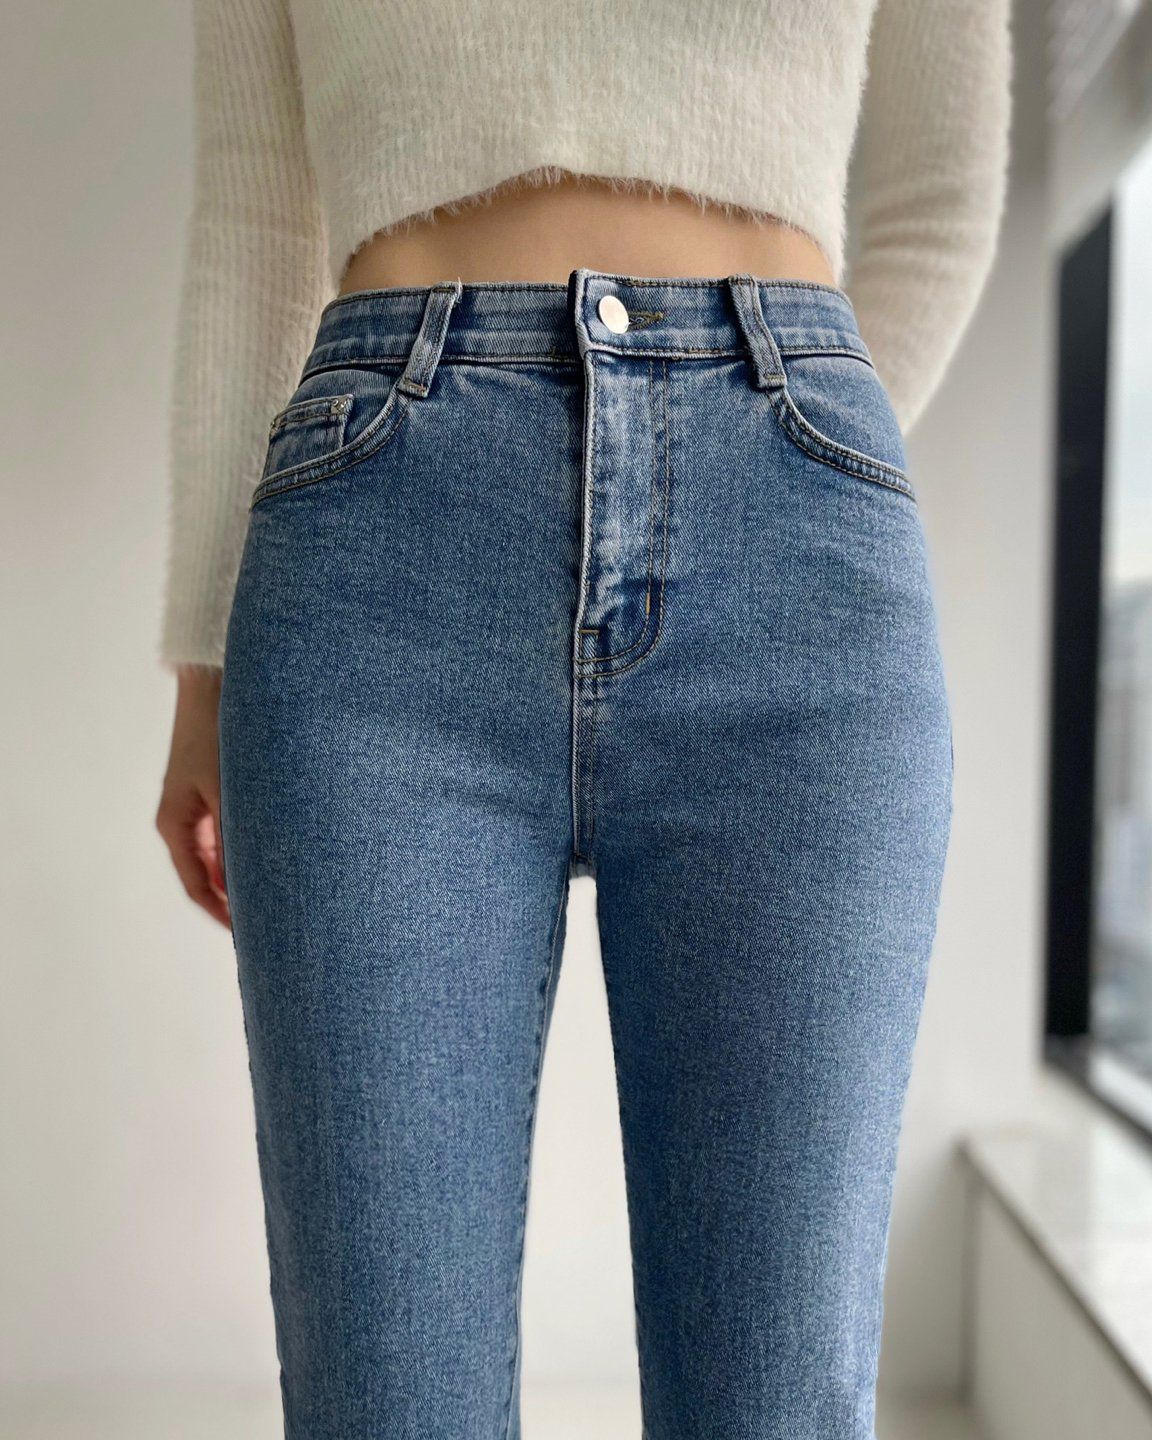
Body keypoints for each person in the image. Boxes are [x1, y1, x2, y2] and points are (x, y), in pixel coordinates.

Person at [154, 3, 1012, 1436]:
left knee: (778, 1403)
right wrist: (204, 669)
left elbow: (943, 193)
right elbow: (254, 214)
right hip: (377, 549)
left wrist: (794, 449)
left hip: (794, 568)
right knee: (384, 1404)